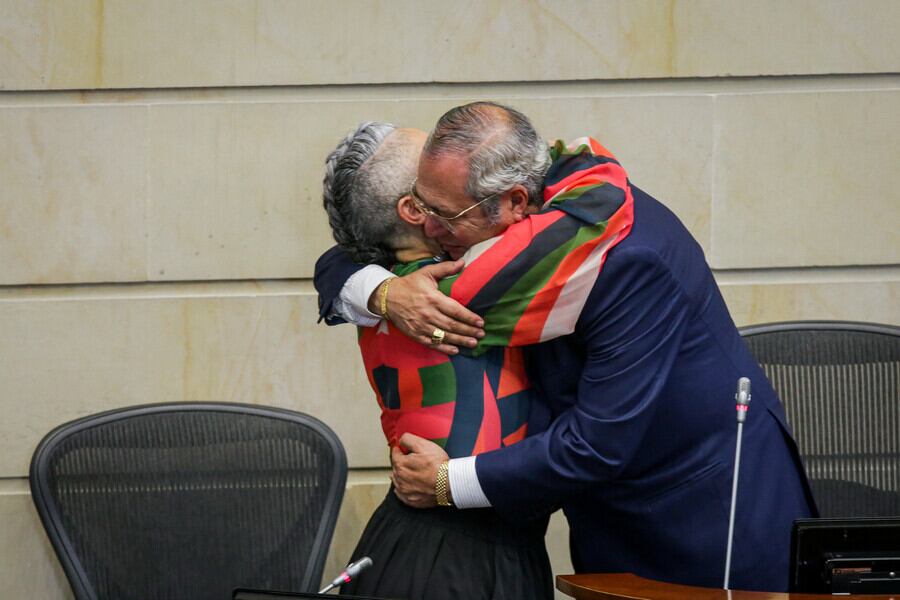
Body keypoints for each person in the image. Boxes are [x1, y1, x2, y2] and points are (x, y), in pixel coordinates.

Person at [315, 102, 818, 592]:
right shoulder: (476, 238)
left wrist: (446, 483)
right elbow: (348, 254)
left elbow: (597, 443)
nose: (428, 227)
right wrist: (385, 291)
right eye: (418, 208)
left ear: (513, 202)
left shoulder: (627, 258)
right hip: (600, 513)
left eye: (442, 214)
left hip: (700, 514)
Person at [320, 121, 554, 600]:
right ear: (417, 207)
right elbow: (601, 209)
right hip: (453, 559)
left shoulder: (383, 285)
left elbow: (335, 263)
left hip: (427, 543)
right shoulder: (471, 286)